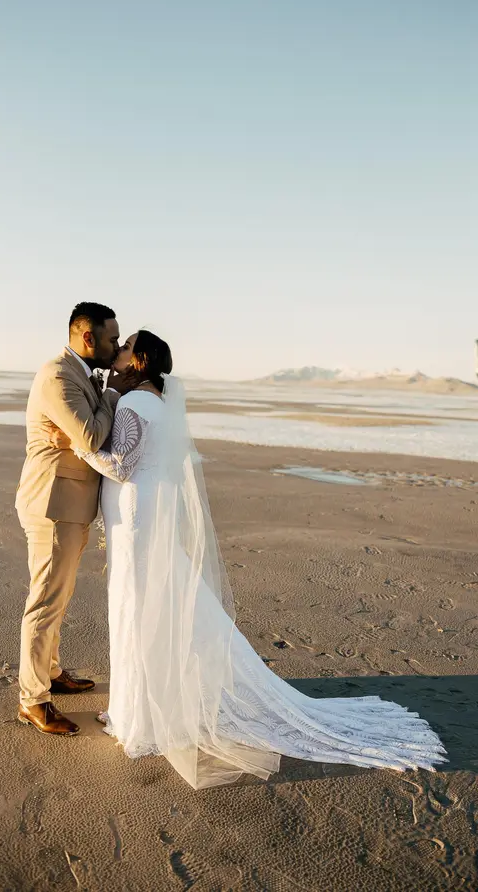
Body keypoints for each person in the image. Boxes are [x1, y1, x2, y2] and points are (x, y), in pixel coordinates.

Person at [49, 329, 446, 788]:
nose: (117, 351)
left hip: (137, 516)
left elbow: (120, 465)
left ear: (139, 360)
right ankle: (137, 706)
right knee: (146, 605)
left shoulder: (136, 402)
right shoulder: (156, 401)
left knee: (136, 606)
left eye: (125, 346)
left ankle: (141, 716)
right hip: (146, 511)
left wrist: (79, 444)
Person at [15, 302, 136, 735]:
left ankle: (50, 672)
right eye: (112, 339)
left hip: (71, 504)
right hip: (53, 504)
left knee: (59, 596)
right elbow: (90, 436)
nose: (117, 346)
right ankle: (33, 699)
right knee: (46, 601)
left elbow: (85, 435)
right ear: (88, 337)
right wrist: (113, 393)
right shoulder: (58, 376)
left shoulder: (82, 374)